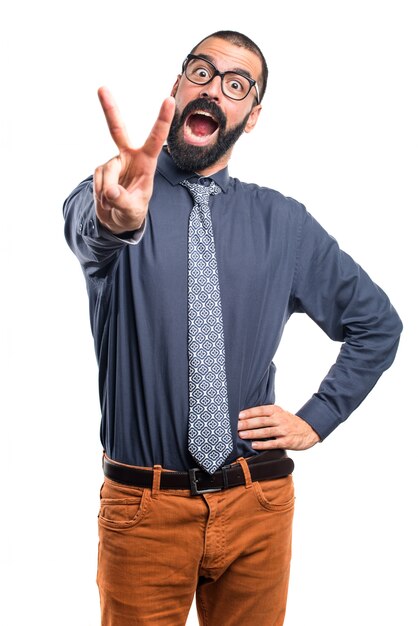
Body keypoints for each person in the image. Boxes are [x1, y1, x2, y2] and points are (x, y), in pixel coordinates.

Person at [63, 30, 402, 626]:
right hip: (144, 513)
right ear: (177, 86)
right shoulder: (117, 192)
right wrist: (113, 220)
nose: (215, 90)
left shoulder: (283, 222)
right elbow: (90, 230)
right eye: (202, 72)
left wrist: (316, 419)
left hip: (258, 505)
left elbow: (377, 325)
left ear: (252, 115)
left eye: (237, 84)